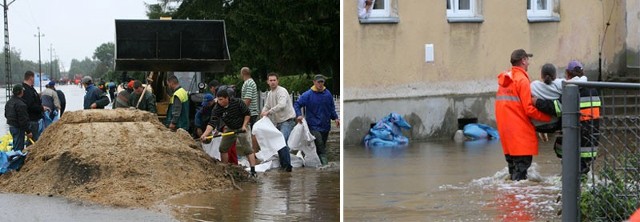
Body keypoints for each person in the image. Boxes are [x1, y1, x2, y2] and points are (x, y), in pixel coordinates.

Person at [495, 49, 551, 181]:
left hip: (506, 135)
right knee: (520, 177)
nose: (529, 64)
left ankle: (512, 200)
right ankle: (520, 201)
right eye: (528, 60)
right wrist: (547, 119)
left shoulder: (505, 80)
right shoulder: (522, 80)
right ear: (523, 60)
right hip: (520, 135)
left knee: (513, 172)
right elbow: (529, 109)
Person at [537, 60, 600, 175]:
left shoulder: (571, 89)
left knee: (571, 175)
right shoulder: (593, 89)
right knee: (582, 173)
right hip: (591, 140)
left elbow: (557, 108)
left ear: (567, 73)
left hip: (574, 140)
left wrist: (537, 102)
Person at [200, 89, 257, 177]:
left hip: (242, 127)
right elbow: (212, 123)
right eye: (218, 99)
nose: (219, 102)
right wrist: (205, 134)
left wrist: (244, 126)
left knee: (247, 149)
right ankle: (225, 169)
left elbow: (247, 114)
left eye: (221, 99)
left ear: (227, 98)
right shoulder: (217, 108)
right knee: (223, 148)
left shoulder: (238, 102)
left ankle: (253, 171)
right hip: (230, 128)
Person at [293, 74, 340, 165]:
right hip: (313, 126)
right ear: (314, 82)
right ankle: (325, 166)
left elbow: (331, 108)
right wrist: (299, 115)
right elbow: (297, 104)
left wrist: (336, 118)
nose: (320, 84)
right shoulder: (308, 95)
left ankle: (313, 163)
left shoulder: (328, 94)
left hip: (326, 125)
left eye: (322, 82)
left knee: (321, 145)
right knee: (320, 145)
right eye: (318, 82)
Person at [261, 72, 295, 172]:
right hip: (278, 122)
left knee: (282, 141)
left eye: (274, 80)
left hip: (287, 121)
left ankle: (287, 167)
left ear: (278, 81)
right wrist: (263, 112)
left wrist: (269, 112)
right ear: (267, 82)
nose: (272, 82)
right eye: (270, 80)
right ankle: (283, 165)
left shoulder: (282, 91)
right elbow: (267, 105)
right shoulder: (270, 93)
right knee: (278, 142)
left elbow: (282, 105)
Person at [530, 63, 563, 134]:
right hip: (554, 124)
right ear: (555, 75)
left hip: (537, 125)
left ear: (541, 75)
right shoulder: (560, 85)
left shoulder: (533, 86)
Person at [5, 84, 32, 151]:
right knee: (18, 149)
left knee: (15, 145)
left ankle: (14, 158)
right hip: (18, 128)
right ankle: (17, 161)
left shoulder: (9, 102)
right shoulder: (21, 104)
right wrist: (28, 131)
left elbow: (6, 115)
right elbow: (23, 120)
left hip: (11, 127)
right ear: (21, 92)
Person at [240, 67, 260, 153]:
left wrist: (241, 111)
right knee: (252, 132)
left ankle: (253, 152)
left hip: (251, 112)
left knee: (253, 132)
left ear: (242, 74)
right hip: (251, 111)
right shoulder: (250, 82)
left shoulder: (249, 83)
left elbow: (248, 99)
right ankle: (253, 152)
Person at [21, 71, 44, 143]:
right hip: (31, 119)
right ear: (31, 78)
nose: (34, 79)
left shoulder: (29, 89)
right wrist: (42, 108)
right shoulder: (26, 90)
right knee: (33, 141)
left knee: (33, 140)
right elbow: (30, 105)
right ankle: (30, 153)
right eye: (34, 77)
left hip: (33, 119)